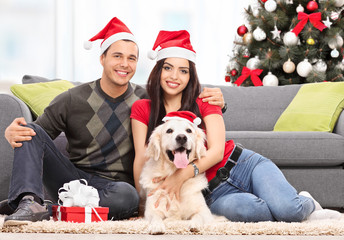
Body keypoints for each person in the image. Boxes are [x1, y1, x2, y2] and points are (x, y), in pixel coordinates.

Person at [1, 18, 225, 226]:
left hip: (114, 188)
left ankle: (57, 207)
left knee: (127, 197)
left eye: (131, 58)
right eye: (117, 56)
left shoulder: (147, 100)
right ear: (102, 58)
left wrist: (219, 102)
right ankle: (28, 202)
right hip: (70, 178)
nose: (124, 64)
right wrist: (15, 132)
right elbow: (38, 138)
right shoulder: (72, 98)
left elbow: (181, 106)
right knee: (29, 130)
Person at [130, 30, 342, 222]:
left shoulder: (206, 99)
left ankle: (305, 202)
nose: (174, 76)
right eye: (168, 68)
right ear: (158, 70)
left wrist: (181, 175)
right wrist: (143, 206)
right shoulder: (143, 108)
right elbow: (142, 156)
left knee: (289, 211)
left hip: (243, 165)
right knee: (250, 213)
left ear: (190, 76)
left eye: (183, 71)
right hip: (213, 192)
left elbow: (216, 151)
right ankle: (280, 202)